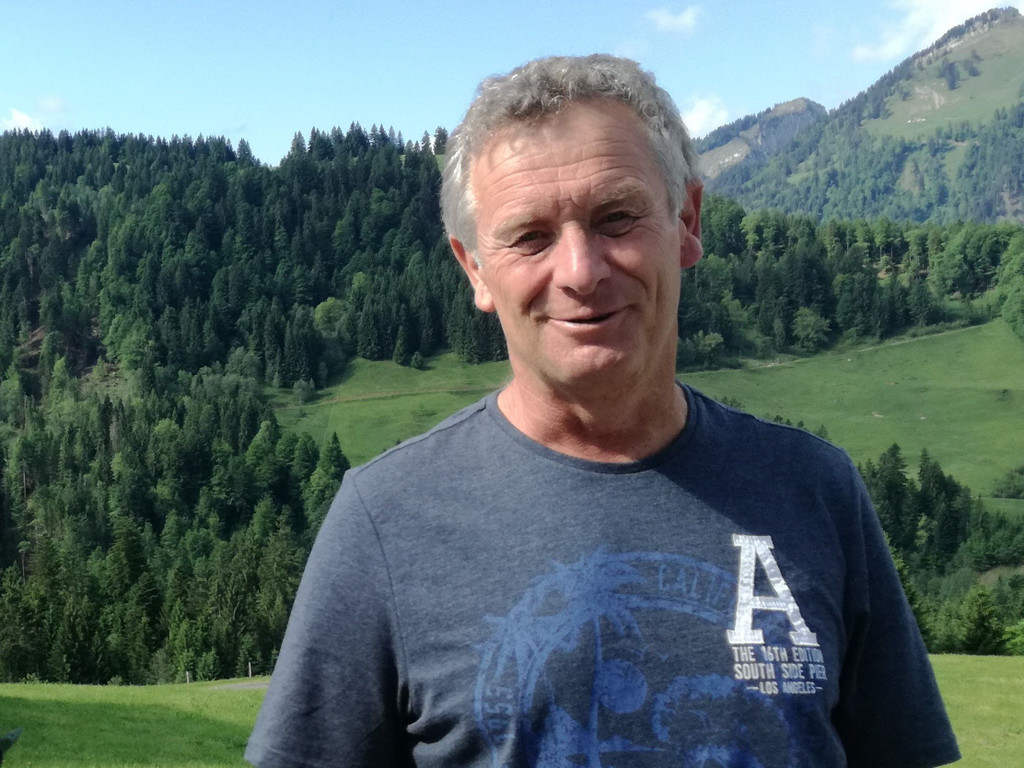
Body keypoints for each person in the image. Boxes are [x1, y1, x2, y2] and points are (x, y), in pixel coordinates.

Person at [245, 55, 960, 768]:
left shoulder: (817, 489)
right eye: (530, 237)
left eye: (616, 218)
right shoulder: (385, 520)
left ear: (687, 221)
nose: (581, 272)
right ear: (475, 269)